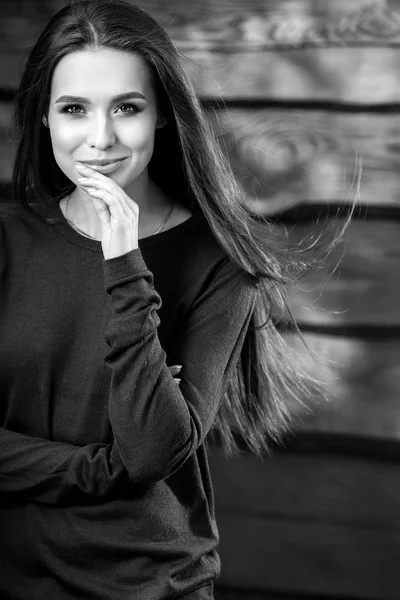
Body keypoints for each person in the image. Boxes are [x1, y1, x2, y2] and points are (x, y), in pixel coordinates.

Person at [0, 1, 352, 598]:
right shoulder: (9, 240)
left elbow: (151, 453)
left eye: (127, 108)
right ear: (44, 118)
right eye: (74, 109)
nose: (100, 138)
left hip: (148, 584)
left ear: (161, 114)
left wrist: (123, 261)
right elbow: (127, 464)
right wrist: (97, 469)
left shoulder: (219, 267)